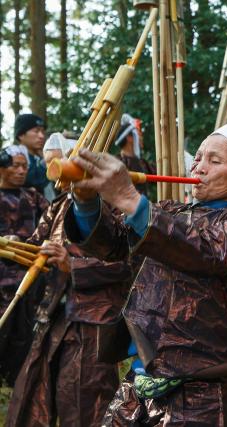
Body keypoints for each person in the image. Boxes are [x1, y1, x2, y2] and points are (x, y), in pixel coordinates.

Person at [63, 120, 227, 425]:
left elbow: (200, 249)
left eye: (215, 161)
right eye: (198, 157)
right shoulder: (173, 211)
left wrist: (130, 198)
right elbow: (115, 243)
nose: (199, 167)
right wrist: (86, 201)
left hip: (201, 396)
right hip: (139, 382)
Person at [6, 140, 134, 426]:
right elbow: (38, 244)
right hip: (53, 313)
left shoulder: (112, 201)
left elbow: (128, 264)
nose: (55, 176)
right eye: (50, 166)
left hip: (92, 319)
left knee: (85, 401)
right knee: (33, 395)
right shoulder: (59, 202)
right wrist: (16, 248)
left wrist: (72, 265)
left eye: (59, 166)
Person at [0, 144, 49, 386]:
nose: (21, 171)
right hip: (2, 279)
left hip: (29, 277)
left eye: (24, 166)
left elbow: (53, 223)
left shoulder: (33, 197)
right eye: (15, 166)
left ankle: (16, 381)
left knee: (23, 331)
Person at [113, 113, 156, 196]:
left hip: (143, 207)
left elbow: (159, 172)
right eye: (138, 133)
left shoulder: (142, 163)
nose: (141, 137)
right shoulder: (116, 162)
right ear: (129, 138)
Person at [14, 113, 48, 194]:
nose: (41, 136)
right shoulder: (12, 159)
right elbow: (34, 180)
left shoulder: (39, 158)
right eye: (36, 131)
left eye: (43, 131)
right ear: (21, 135)